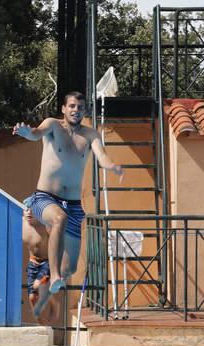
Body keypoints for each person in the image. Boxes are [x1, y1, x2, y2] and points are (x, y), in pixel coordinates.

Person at [13, 91, 123, 294]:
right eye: (72, 106)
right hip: (44, 198)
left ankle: (45, 275)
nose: (76, 110)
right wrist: (26, 133)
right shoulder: (53, 125)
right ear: (64, 108)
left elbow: (102, 156)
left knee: (70, 267)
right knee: (58, 219)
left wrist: (113, 166)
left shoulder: (90, 134)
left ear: (85, 111)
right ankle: (53, 274)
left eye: (80, 107)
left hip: (73, 205)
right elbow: (36, 133)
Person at [22, 196, 61, 325]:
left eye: (32, 210)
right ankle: (39, 321)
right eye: (26, 210)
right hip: (33, 263)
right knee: (32, 297)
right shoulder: (21, 223)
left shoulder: (45, 225)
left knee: (38, 285)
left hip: (47, 262)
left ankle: (55, 305)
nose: (29, 213)